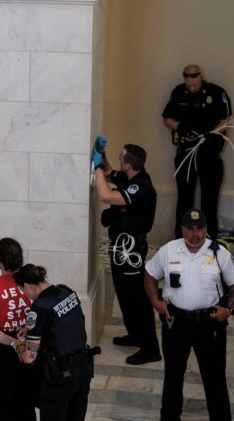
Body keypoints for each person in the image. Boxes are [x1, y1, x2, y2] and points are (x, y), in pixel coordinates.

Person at [145, 208, 234, 421]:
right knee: (173, 377)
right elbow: (149, 274)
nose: (195, 234)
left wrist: (228, 310)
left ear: (206, 229)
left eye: (200, 228)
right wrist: (156, 302)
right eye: (190, 229)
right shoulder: (169, 250)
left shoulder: (219, 253)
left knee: (215, 380)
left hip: (209, 325)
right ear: (182, 229)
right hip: (177, 324)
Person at [92, 141, 160, 364]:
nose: (119, 159)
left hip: (130, 251)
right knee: (123, 293)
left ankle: (150, 348)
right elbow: (111, 173)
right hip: (120, 246)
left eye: (122, 157)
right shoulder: (130, 176)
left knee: (137, 297)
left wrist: (95, 168)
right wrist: (102, 156)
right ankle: (136, 335)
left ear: (129, 165)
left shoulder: (140, 187)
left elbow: (106, 196)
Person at [14, 264, 93, 421]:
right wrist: (34, 330)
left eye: (23, 291)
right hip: (83, 369)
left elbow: (29, 357)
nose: (26, 295)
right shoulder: (66, 291)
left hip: (60, 378)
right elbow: (64, 325)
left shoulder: (39, 309)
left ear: (27, 286)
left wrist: (18, 345)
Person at [161, 64, 231, 239]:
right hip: (186, 153)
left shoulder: (215, 92)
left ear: (201, 77)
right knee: (184, 198)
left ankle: (209, 241)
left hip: (209, 153)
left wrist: (211, 133)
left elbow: (226, 119)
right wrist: (180, 126)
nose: (191, 88)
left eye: (194, 84)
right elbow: (166, 119)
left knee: (210, 199)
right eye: (188, 85)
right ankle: (179, 240)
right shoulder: (178, 92)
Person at [0, 238, 37, 420]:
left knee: (5, 405)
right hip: (30, 346)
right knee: (27, 402)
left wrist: (13, 342)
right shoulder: (32, 282)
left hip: (2, 351)